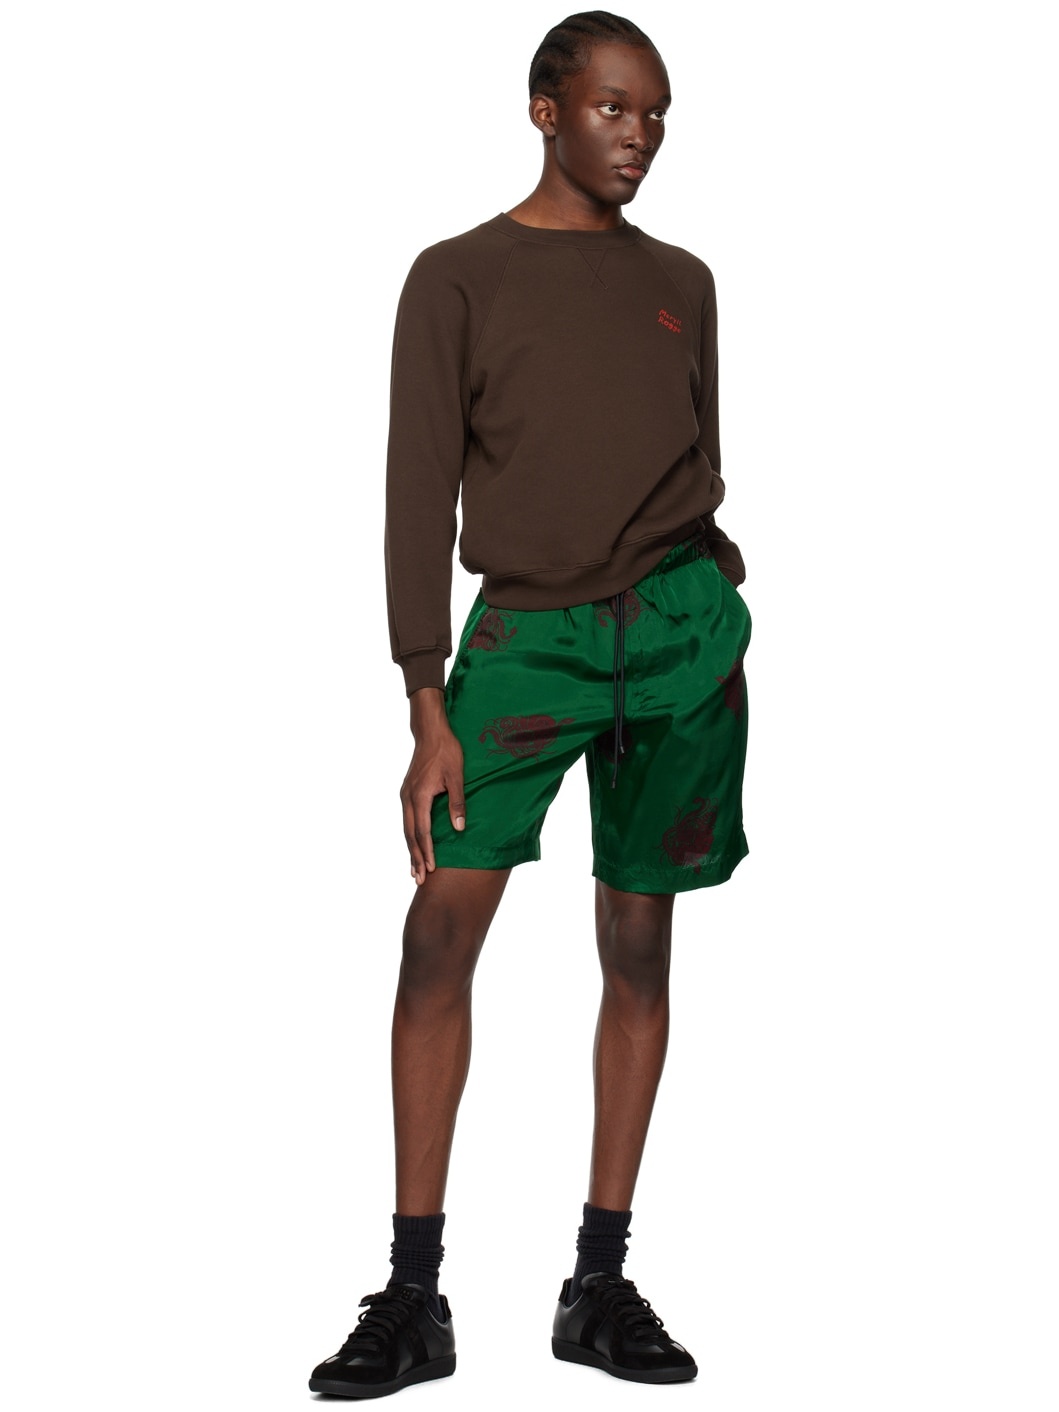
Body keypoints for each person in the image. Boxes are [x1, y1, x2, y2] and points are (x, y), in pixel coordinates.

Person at [309, 10, 751, 1398]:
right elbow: (415, 492)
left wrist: (712, 588)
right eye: (616, 107)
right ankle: (413, 1294)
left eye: (658, 114)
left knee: (641, 948)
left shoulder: (683, 280)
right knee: (439, 935)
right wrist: (424, 698)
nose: (640, 135)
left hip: (678, 638)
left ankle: (598, 1283)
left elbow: (700, 453)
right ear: (546, 109)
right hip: (523, 648)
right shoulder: (458, 276)